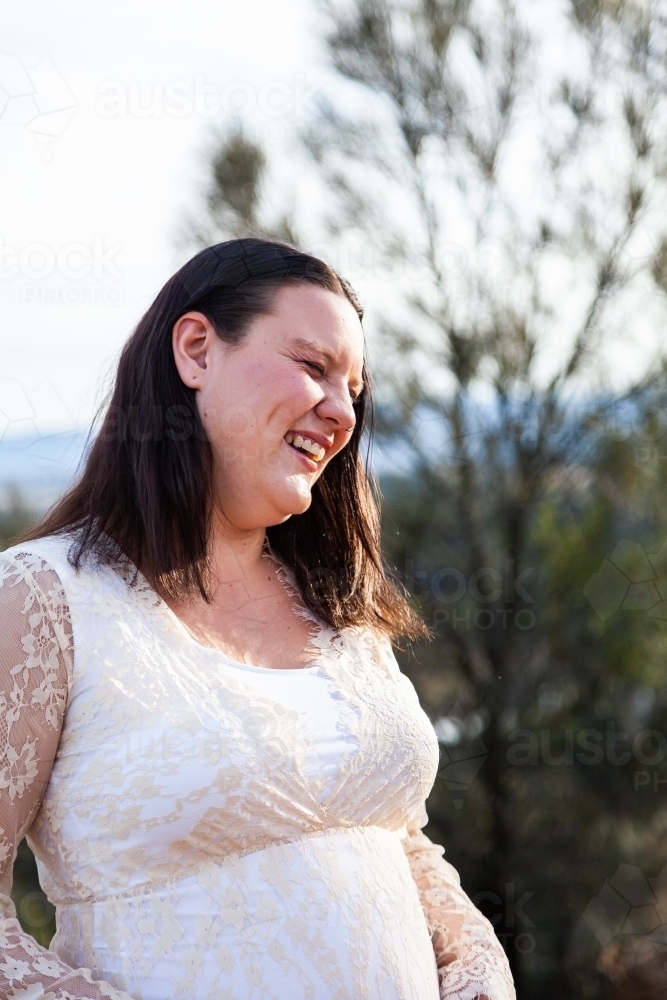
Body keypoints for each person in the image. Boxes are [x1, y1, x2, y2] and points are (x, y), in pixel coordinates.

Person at [0, 239, 515, 999]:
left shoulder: (338, 608)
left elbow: (398, 840)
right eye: (312, 366)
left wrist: (477, 964)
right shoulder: (46, 598)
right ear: (197, 350)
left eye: (353, 388)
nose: (341, 411)